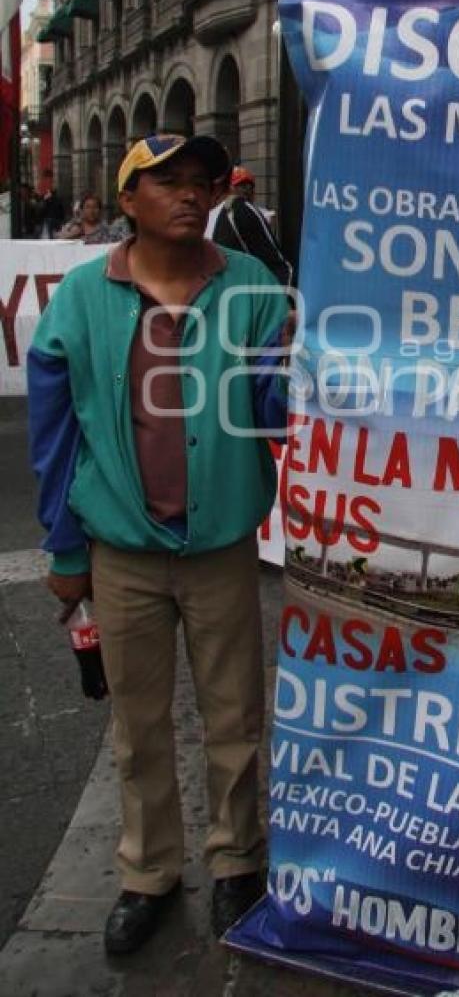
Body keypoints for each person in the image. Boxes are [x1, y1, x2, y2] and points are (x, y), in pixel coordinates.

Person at [28, 132, 292, 955]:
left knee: (235, 719)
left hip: (219, 547)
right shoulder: (77, 298)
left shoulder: (253, 287)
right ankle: (148, 872)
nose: (190, 193)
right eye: (167, 180)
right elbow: (53, 437)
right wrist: (66, 555)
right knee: (138, 726)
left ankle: (237, 862)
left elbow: (280, 408)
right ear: (128, 198)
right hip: (121, 552)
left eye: (202, 181)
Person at [206, 164, 292, 286]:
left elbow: (277, 264)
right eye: (240, 185)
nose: (246, 190)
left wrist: (285, 297)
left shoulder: (238, 209)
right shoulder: (203, 215)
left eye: (250, 186)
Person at [36, 169, 65, 238]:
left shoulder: (57, 197)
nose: (48, 183)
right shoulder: (40, 197)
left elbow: (61, 213)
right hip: (43, 228)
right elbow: (38, 214)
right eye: (46, 180)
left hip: (54, 227)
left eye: (50, 180)